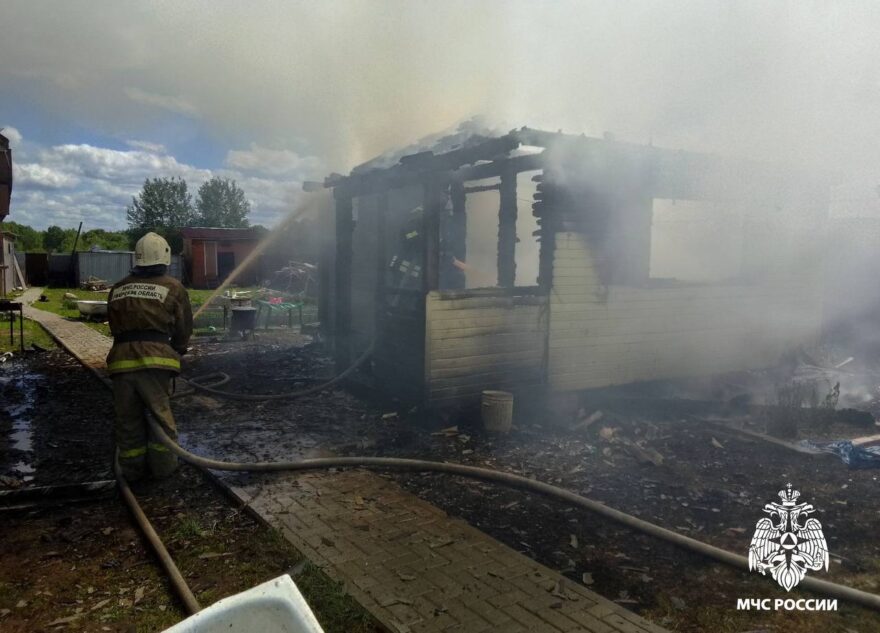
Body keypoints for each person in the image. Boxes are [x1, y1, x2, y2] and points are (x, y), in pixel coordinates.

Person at [106, 232, 192, 481]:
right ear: (165, 258)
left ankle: (132, 472)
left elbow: (114, 325)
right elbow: (183, 327)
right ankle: (163, 470)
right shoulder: (173, 287)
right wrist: (179, 347)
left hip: (121, 362)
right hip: (155, 362)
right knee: (159, 418)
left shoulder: (119, 287)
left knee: (128, 421)